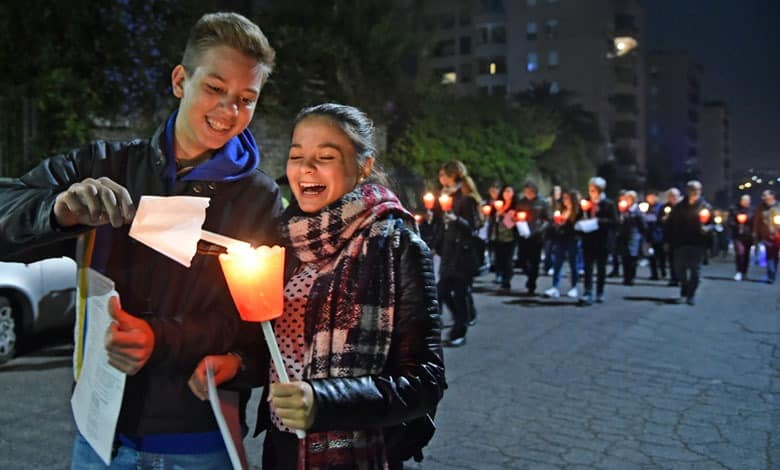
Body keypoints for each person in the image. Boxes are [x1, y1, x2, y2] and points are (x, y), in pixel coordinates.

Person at [0, 12, 281, 468]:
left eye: (246, 99)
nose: (229, 111)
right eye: (214, 88)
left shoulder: (258, 198)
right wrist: (58, 210)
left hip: (198, 441)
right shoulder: (106, 164)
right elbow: (6, 207)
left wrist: (162, 338)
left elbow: (256, 326)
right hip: (99, 437)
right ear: (179, 80)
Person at [192, 103, 445, 468]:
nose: (306, 168)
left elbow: (426, 380)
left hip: (361, 450)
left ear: (364, 167)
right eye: (297, 156)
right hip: (283, 449)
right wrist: (237, 365)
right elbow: (278, 346)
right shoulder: (282, 242)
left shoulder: (396, 245)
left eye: (325, 156)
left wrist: (324, 401)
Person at [434, 161, 481, 347]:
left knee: (460, 294)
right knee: (442, 292)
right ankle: (463, 317)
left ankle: (459, 331)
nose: (441, 179)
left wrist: (456, 219)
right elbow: (441, 226)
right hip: (447, 251)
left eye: (443, 175)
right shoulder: (444, 196)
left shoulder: (466, 198)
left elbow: (472, 228)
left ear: (452, 175)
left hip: (462, 254)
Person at [666, 180, 713, 305]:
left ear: (700, 191)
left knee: (695, 270)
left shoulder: (705, 206)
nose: (694, 192)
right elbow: (671, 224)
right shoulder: (679, 206)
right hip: (681, 242)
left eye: (696, 189)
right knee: (679, 269)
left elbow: (712, 224)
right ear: (687, 191)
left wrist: (707, 228)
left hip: (697, 242)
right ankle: (684, 287)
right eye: (691, 189)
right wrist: (669, 239)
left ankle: (690, 294)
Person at [576, 177, 618, 305]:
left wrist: (598, 222)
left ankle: (600, 291)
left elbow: (614, 222)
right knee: (587, 267)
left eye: (593, 189)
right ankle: (587, 291)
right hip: (588, 239)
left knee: (601, 267)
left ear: (600, 190)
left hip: (602, 240)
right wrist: (581, 219)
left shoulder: (608, 204)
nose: (591, 192)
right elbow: (578, 217)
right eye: (590, 189)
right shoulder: (586, 203)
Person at [514, 181, 550, 295]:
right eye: (526, 191)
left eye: (530, 191)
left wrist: (540, 230)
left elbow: (548, 219)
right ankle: (528, 273)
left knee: (534, 260)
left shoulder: (543, 202)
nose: (528, 193)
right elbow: (516, 215)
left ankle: (532, 282)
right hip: (524, 233)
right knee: (522, 259)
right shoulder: (521, 202)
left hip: (536, 235)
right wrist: (518, 220)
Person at [544, 189, 581, 299]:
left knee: (573, 264)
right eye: (564, 198)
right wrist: (557, 224)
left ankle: (574, 287)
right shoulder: (562, 210)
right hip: (561, 239)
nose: (565, 200)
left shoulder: (578, 212)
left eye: (567, 198)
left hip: (572, 239)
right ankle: (555, 287)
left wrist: (567, 223)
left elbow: (578, 226)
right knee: (557, 263)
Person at [490, 185, 519, 290]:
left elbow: (514, 222)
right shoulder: (498, 204)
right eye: (505, 191)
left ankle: (507, 280)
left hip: (510, 236)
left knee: (508, 259)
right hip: (498, 235)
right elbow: (492, 218)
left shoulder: (516, 205)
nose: (506, 193)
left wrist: (504, 215)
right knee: (499, 259)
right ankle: (502, 275)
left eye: (509, 191)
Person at [616, 190, 646, 286]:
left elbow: (642, 225)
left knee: (632, 257)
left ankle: (631, 277)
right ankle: (626, 277)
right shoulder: (623, 210)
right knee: (625, 257)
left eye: (629, 199)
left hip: (634, 235)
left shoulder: (636, 211)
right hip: (624, 235)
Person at [753, 189, 779, 284]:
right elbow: (756, 221)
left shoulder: (778, 206)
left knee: (775, 255)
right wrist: (755, 232)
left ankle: (773, 272)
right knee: (769, 254)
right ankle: (771, 275)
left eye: (765, 195)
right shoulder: (760, 208)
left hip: (778, 235)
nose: (763, 197)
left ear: (772, 196)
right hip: (766, 235)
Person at [728, 194, 753, 281]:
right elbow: (729, 221)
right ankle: (738, 271)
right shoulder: (734, 209)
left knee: (746, 254)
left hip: (748, 236)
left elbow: (755, 222)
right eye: (744, 200)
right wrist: (737, 226)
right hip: (737, 236)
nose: (745, 202)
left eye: (747, 200)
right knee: (740, 253)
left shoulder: (752, 210)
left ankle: (744, 272)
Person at [644, 191, 667, 280]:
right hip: (649, 236)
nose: (650, 200)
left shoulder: (661, 207)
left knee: (661, 256)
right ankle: (654, 273)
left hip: (659, 235)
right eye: (649, 198)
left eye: (652, 197)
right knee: (651, 255)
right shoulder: (646, 207)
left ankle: (662, 272)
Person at [662, 187, 682, 286]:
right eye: (670, 196)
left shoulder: (682, 207)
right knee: (671, 259)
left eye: (674, 196)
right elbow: (660, 222)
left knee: (681, 259)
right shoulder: (665, 207)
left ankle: (681, 278)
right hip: (670, 237)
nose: (672, 198)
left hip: (681, 237)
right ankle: (674, 278)